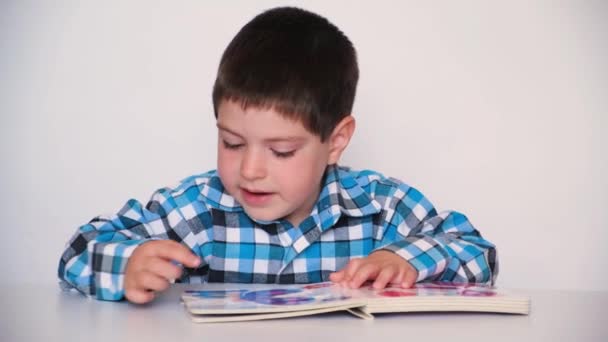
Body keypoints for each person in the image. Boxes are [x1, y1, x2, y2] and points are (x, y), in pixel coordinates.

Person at [58, 7, 498, 304]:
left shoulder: (381, 209)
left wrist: (403, 261)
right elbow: (78, 249)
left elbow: (478, 252)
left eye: (282, 150)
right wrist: (128, 264)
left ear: (337, 139)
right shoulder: (196, 211)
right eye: (231, 143)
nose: (249, 170)